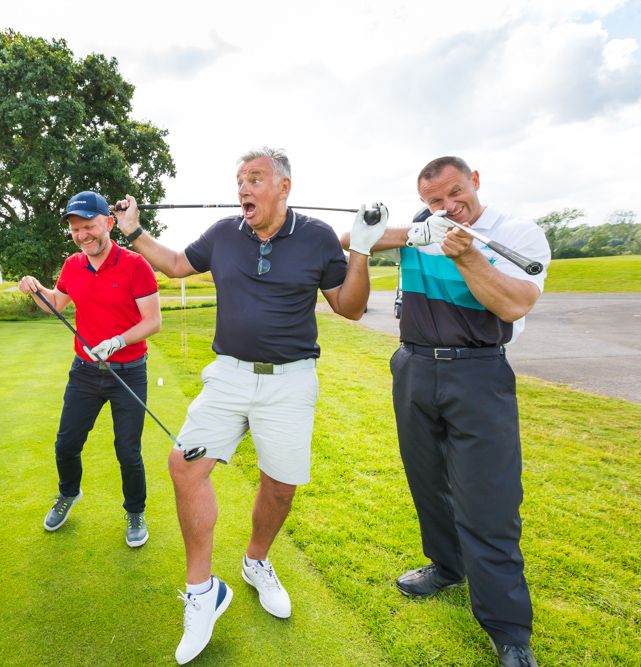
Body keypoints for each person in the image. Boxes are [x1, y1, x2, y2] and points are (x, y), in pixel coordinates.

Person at [114, 147, 386, 664]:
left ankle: (256, 562)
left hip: (290, 381)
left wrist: (363, 250)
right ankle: (202, 592)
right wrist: (134, 231)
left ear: (284, 187)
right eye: (240, 179)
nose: (243, 187)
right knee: (184, 465)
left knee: (280, 487)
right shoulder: (223, 234)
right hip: (229, 376)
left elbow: (349, 308)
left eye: (255, 178)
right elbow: (176, 265)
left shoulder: (317, 237)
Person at [347, 156, 550, 667]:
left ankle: (508, 629)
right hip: (414, 367)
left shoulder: (516, 233)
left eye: (455, 193)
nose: (447, 206)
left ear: (474, 181)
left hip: (478, 372)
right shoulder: (423, 227)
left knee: (489, 499)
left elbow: (514, 304)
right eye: (434, 201)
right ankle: (446, 565)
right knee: (427, 481)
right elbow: (353, 240)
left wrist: (468, 255)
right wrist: (389, 233)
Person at [18, 190, 161, 547]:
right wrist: (34, 288)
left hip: (128, 371)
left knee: (128, 451)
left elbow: (153, 321)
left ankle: (135, 511)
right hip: (84, 371)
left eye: (89, 226)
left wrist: (117, 342)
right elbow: (56, 303)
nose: (82, 235)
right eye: (75, 229)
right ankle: (69, 493)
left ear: (109, 223)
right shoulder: (72, 265)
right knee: (66, 444)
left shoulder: (136, 265)